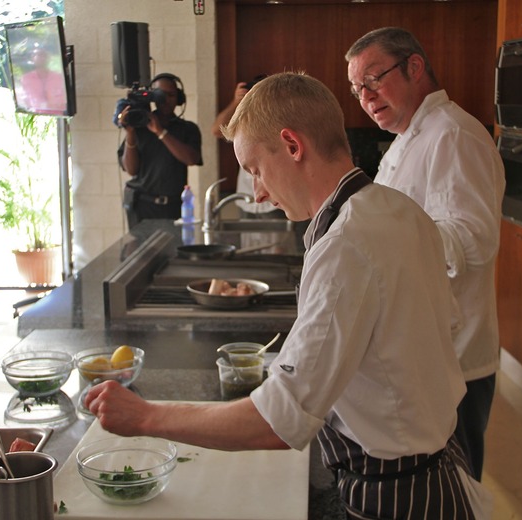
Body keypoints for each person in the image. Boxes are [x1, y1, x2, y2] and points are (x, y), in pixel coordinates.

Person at [86, 72, 486, 519]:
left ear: (293, 146)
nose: (256, 192)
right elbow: (417, 336)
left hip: (395, 496)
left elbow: (277, 421)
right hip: (434, 469)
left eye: (256, 169)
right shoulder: (399, 209)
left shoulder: (345, 244)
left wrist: (144, 416)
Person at [346, 27, 506, 481]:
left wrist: (386, 243)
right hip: (421, 351)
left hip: (454, 359)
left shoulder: (453, 135)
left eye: (374, 79)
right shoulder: (409, 137)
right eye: (358, 89)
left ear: (414, 67)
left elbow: (474, 238)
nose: (366, 96)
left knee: (456, 489)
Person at [117, 73, 202, 228]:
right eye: (160, 95)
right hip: (142, 206)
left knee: (174, 250)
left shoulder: (188, 129)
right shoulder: (139, 127)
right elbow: (131, 169)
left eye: (171, 95)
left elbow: (191, 159)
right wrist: (130, 133)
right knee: (144, 251)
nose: (166, 100)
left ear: (179, 99)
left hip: (174, 207)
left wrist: (160, 132)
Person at [210, 77, 282, 218]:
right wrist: (237, 102)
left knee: (278, 240)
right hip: (246, 200)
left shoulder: (280, 120)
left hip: (275, 203)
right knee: (246, 239)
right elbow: (216, 131)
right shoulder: (243, 123)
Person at [16, 47, 67, 114]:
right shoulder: (26, 79)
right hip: (35, 117)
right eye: (38, 55)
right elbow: (25, 101)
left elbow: (64, 100)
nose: (41, 58)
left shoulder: (58, 77)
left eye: (44, 55)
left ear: (48, 58)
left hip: (57, 116)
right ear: (32, 58)